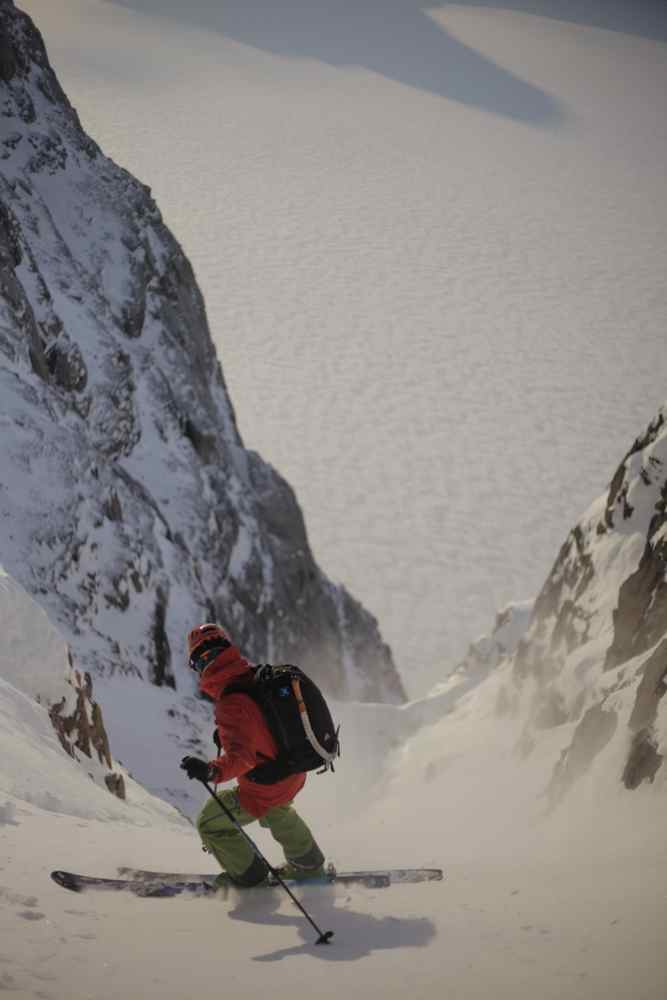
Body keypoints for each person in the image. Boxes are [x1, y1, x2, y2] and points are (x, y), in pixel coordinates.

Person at [180, 623, 326, 888]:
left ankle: (249, 875)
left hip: (265, 783)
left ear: (201, 662)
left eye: (195, 664)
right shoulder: (250, 676)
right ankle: (309, 865)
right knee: (277, 810)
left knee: (210, 823)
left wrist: (211, 770)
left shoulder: (230, 703)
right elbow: (261, 722)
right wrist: (228, 736)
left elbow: (242, 758)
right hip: (292, 769)